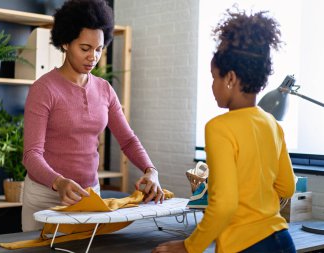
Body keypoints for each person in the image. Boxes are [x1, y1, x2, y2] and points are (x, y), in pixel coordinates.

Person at [153, 8, 296, 253]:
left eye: (214, 77)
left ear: (229, 78)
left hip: (246, 247)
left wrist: (189, 246)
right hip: (282, 240)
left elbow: (224, 205)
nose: (212, 85)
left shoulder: (219, 128)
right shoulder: (272, 123)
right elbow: (287, 188)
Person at [22, 0, 163, 232]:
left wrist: (151, 171)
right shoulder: (44, 89)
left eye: (99, 49)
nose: (93, 57)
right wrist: (59, 182)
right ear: (66, 43)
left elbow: (127, 140)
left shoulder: (105, 89)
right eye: (85, 48)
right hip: (46, 197)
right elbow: (31, 155)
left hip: (90, 197)